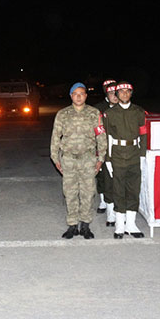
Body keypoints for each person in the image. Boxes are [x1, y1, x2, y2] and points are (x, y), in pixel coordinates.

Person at [50, 82, 107, 239]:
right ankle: (72, 225)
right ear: (71, 96)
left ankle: (86, 226)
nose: (79, 96)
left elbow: (101, 137)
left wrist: (101, 158)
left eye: (82, 93)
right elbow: (55, 137)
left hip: (88, 159)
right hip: (68, 159)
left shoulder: (94, 113)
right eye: (75, 93)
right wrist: (55, 158)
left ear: (86, 96)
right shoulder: (62, 114)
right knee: (70, 193)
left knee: (88, 193)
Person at [104, 81, 148, 239]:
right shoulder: (110, 113)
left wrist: (142, 156)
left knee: (133, 189)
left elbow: (143, 135)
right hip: (117, 154)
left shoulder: (139, 111)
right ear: (116, 94)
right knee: (118, 189)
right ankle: (119, 225)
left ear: (131, 93)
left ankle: (131, 224)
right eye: (121, 91)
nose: (124, 94)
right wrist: (107, 159)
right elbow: (107, 137)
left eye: (127, 91)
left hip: (134, 154)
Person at [93, 79, 117, 223]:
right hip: (102, 146)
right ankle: (103, 200)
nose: (114, 95)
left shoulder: (123, 108)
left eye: (116, 92)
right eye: (111, 92)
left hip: (118, 148)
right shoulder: (99, 109)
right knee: (102, 176)